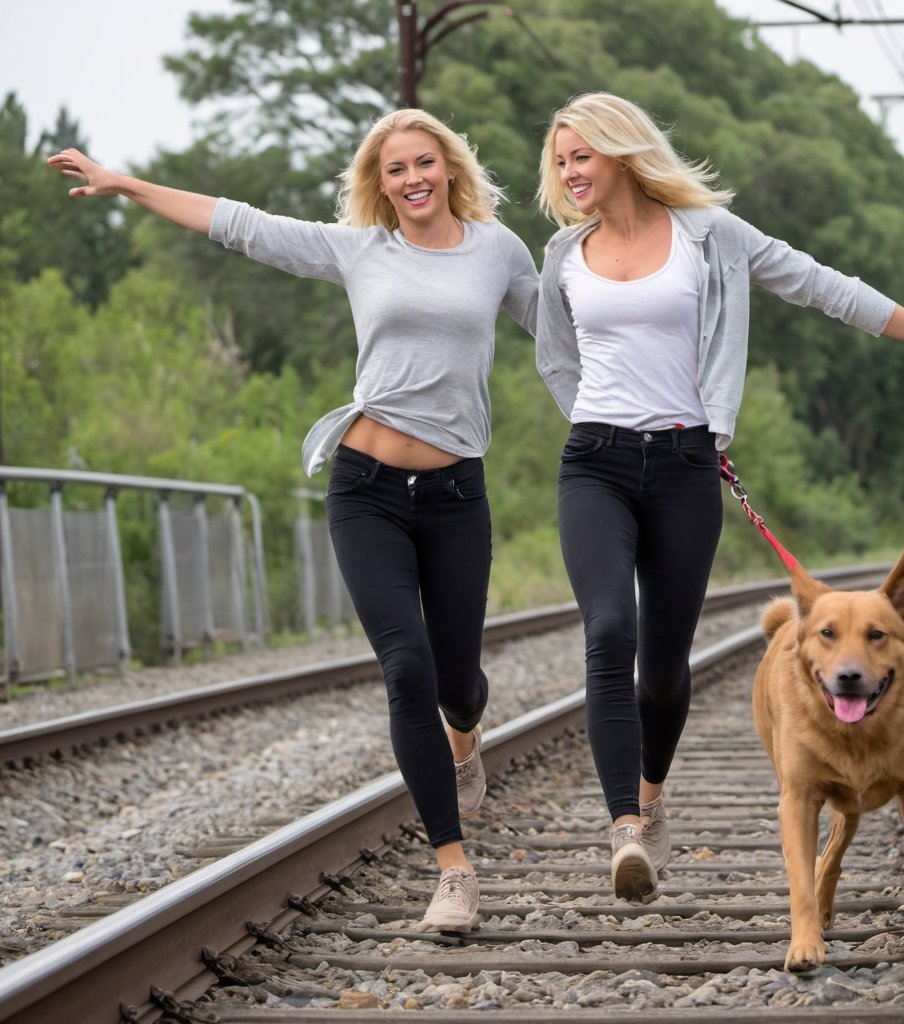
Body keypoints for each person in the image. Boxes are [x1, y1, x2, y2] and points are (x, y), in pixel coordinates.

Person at [48, 108, 538, 933]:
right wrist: (124, 183)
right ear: (378, 184)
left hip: (457, 497)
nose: (411, 179)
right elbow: (241, 225)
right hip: (365, 489)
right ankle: (453, 869)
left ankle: (467, 737)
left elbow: (566, 331)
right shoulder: (360, 250)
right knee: (406, 668)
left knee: (458, 682)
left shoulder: (500, 253)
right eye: (394, 170)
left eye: (424, 163)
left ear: (449, 168)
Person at [533, 92, 904, 903]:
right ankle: (624, 829)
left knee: (662, 668)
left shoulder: (711, 237)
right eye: (561, 159)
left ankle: (652, 798)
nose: (570, 172)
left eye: (582, 155)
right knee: (609, 630)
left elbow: (829, 288)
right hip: (595, 465)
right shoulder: (562, 254)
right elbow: (556, 356)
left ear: (622, 151)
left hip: (687, 468)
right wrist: (600, 422)